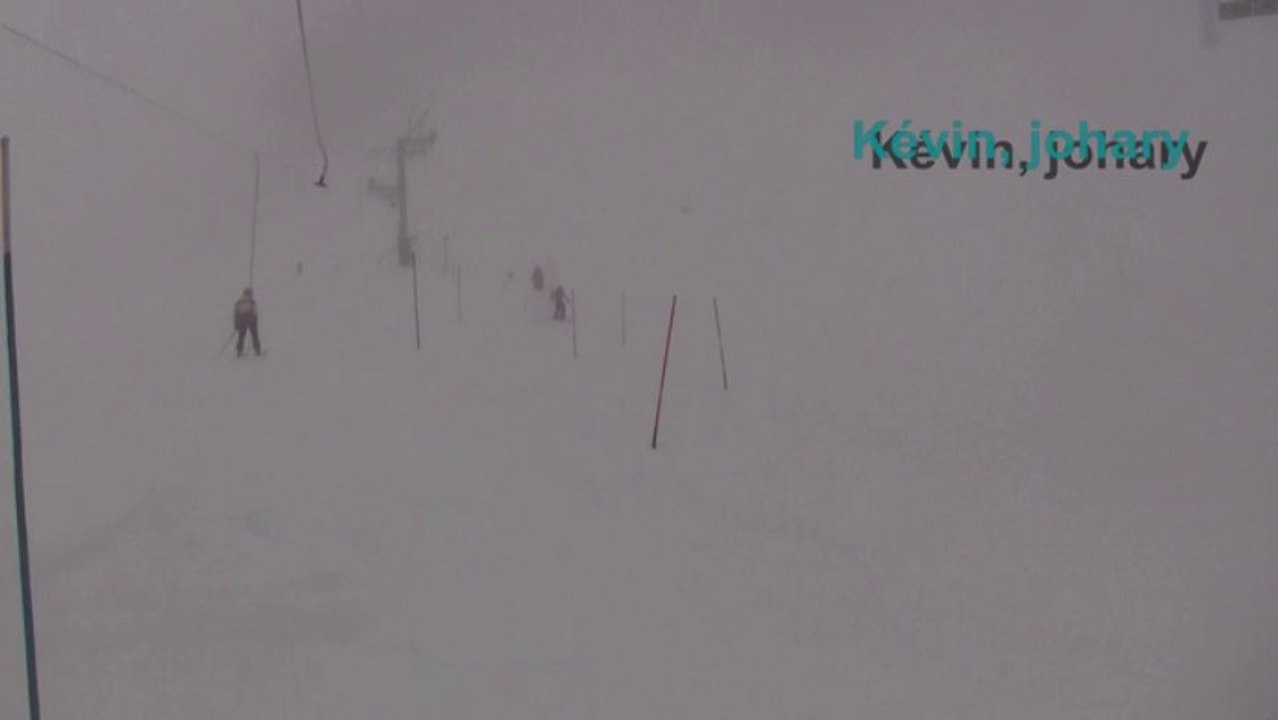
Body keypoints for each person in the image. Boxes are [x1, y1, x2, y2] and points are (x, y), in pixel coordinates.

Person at [233, 288, 263, 357]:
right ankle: (257, 350)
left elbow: (236, 313)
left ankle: (239, 351)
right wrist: (255, 322)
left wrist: (236, 324)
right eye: (251, 293)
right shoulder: (252, 302)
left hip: (241, 322)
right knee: (255, 336)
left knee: (241, 336)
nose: (252, 295)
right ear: (249, 294)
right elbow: (254, 313)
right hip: (251, 322)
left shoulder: (239, 302)